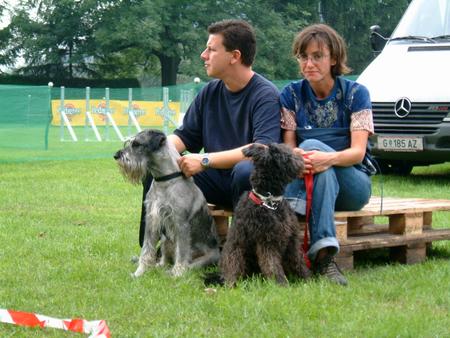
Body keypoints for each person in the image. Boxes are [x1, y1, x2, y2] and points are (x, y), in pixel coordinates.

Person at [138, 19, 281, 247]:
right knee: (157, 164)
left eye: (211, 49)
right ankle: (154, 249)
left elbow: (262, 150)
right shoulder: (209, 92)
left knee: (246, 170)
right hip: (214, 179)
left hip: (248, 183)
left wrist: (204, 160)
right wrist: (155, 149)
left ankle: (242, 250)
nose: (203, 55)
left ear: (234, 56)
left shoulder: (265, 94)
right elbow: (185, 137)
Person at [280, 24, 374, 285]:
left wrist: (323, 157)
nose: (309, 63)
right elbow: (288, 149)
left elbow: (357, 153)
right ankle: (325, 258)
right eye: (303, 56)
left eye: (317, 56)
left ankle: (293, 209)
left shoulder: (357, 94)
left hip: (353, 185)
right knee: (321, 169)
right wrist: (303, 157)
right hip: (310, 178)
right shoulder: (290, 94)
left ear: (334, 59)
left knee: (313, 146)